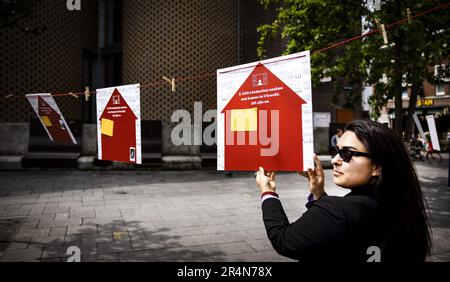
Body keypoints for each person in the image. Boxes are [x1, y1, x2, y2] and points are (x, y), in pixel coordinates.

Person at [256, 120, 431, 262]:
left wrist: (268, 192)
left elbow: (284, 241)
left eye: (347, 154)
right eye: (335, 152)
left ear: (377, 167)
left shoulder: (338, 210)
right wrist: (318, 193)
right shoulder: (402, 204)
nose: (335, 160)